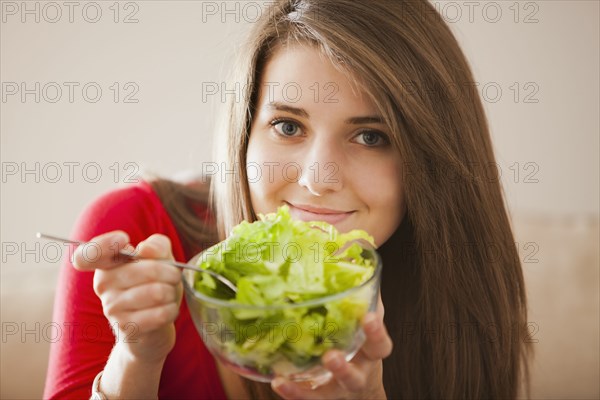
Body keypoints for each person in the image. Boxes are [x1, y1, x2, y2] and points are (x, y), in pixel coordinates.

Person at [43, 0, 530, 398]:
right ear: (245, 134)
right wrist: (134, 362)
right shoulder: (133, 231)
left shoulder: (459, 301)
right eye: (288, 126)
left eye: (371, 137)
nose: (317, 179)